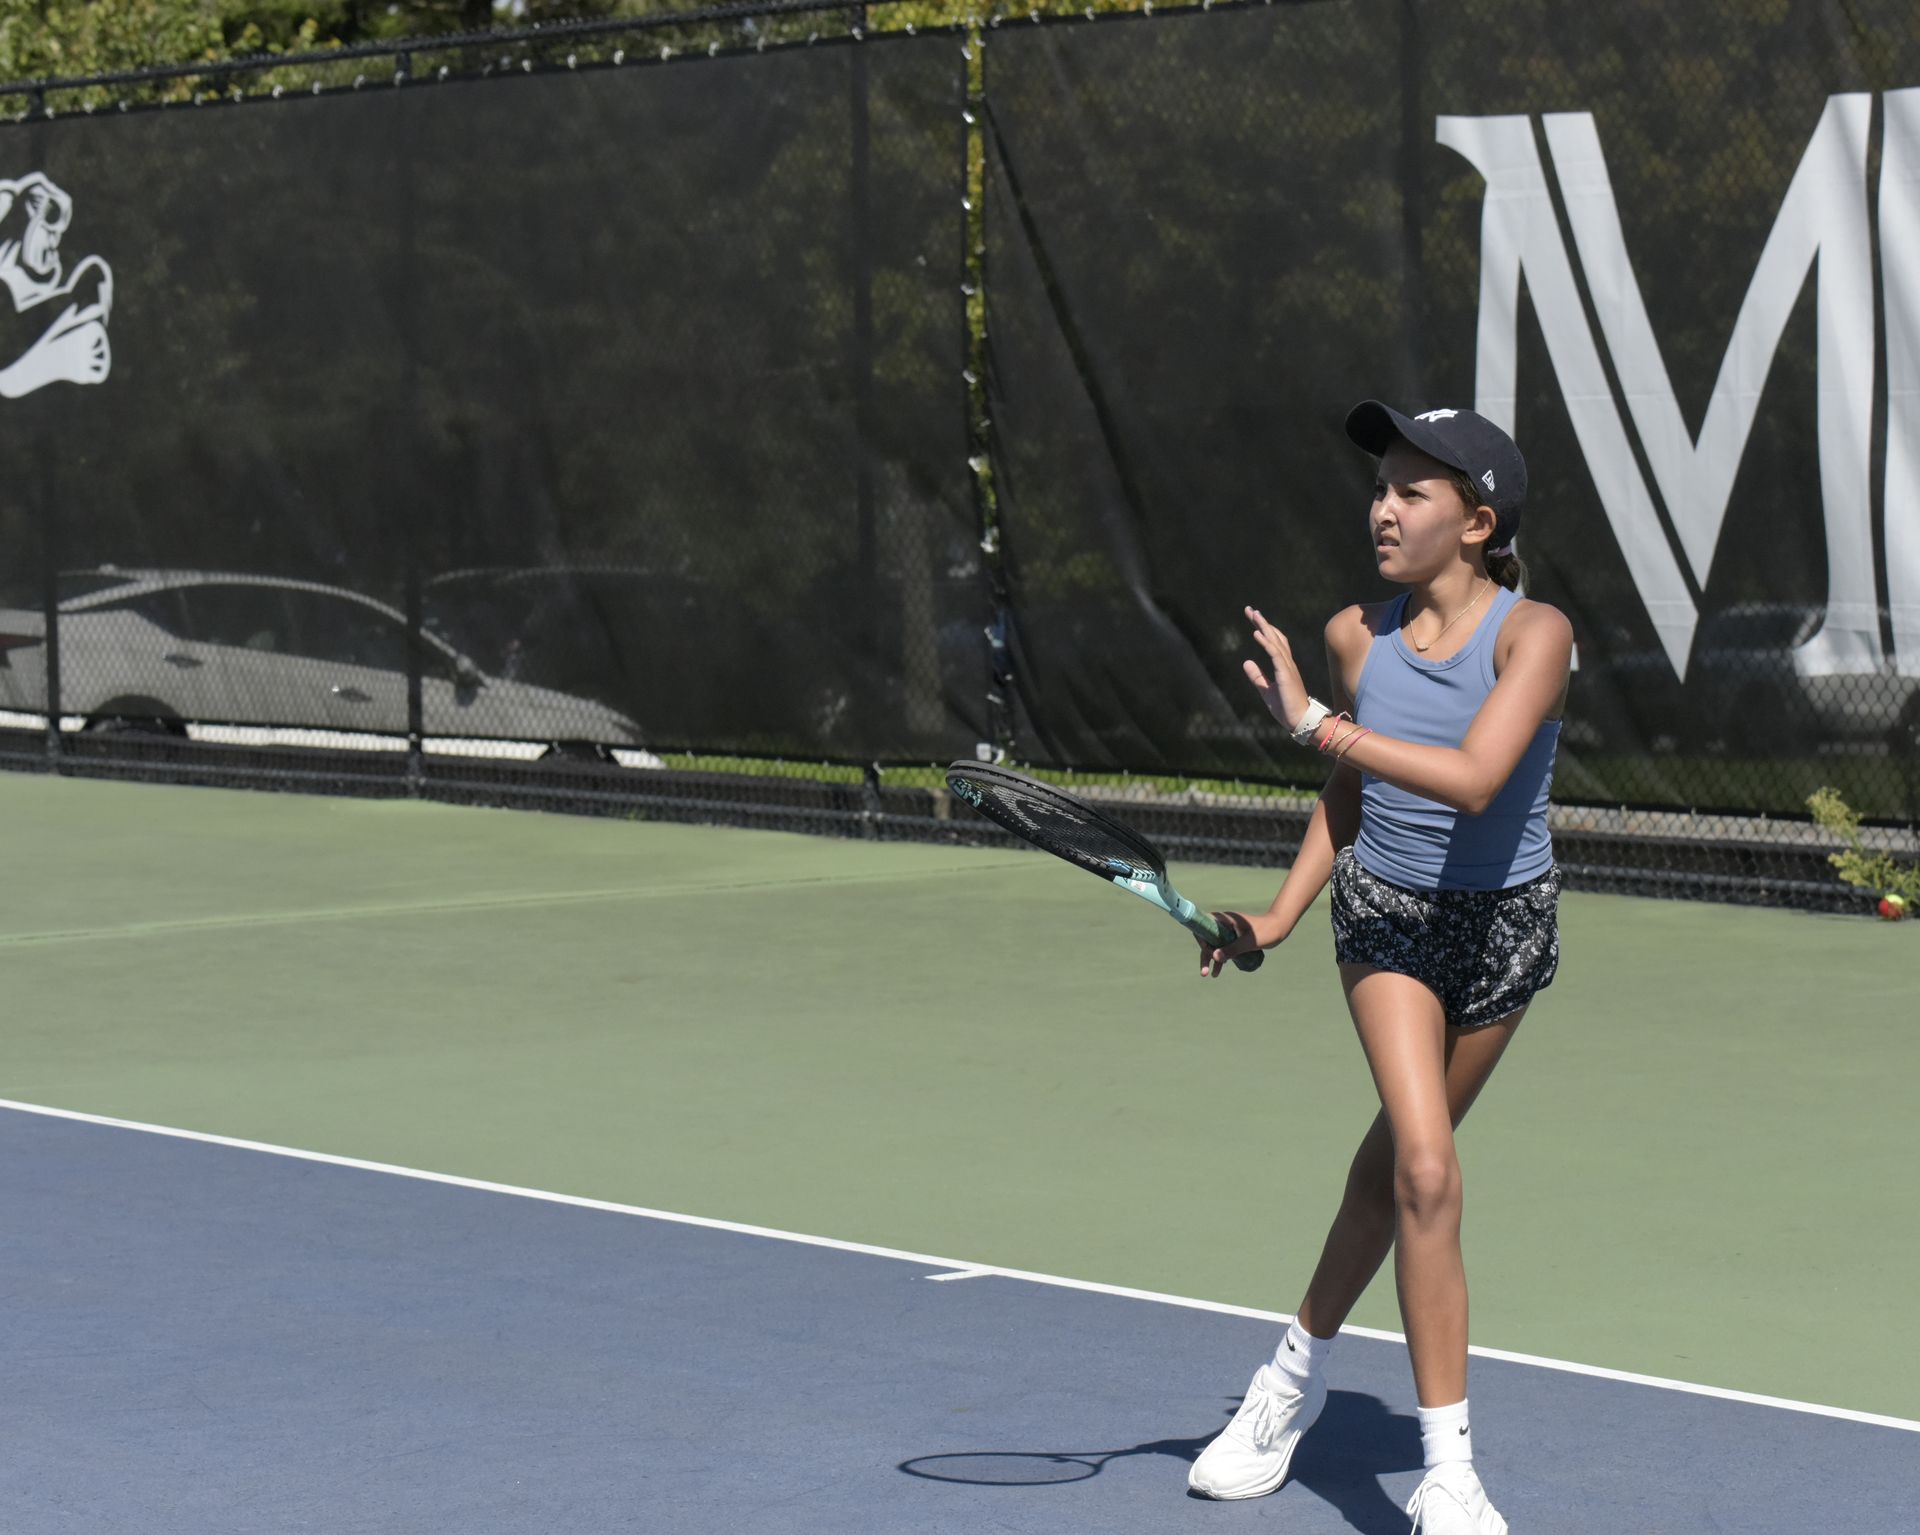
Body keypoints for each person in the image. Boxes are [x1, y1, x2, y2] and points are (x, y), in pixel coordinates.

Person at [1185, 401, 1572, 1535]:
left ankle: (1286, 1379)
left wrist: (1313, 723)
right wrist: (1283, 912)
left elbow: (1476, 777)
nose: (1384, 506)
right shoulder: (1358, 631)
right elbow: (1353, 792)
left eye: (1413, 490)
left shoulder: (1532, 632)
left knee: (1394, 1170)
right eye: (1382, 485)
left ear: (1476, 519)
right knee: (1429, 1170)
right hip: (1391, 921)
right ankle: (1449, 1473)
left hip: (1505, 929)